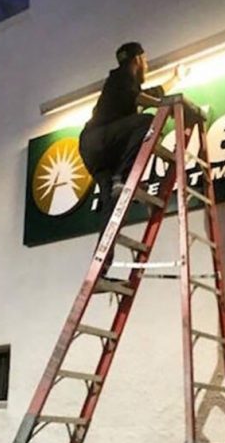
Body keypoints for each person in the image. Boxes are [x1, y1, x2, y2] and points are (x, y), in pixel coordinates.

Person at [79, 42, 185, 274]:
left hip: (97, 152)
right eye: (145, 61)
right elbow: (141, 99)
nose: (146, 65)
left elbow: (148, 94)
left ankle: (101, 263)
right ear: (138, 59)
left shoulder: (120, 85)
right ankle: (121, 176)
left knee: (112, 204)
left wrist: (175, 79)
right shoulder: (121, 77)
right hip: (99, 140)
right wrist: (163, 107)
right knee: (148, 122)